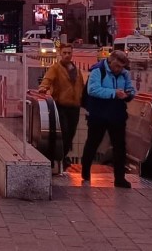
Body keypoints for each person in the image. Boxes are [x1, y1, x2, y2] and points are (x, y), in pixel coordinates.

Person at [81, 50, 136, 186]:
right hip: (98, 114)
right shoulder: (98, 71)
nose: (119, 70)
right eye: (117, 66)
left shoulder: (124, 73)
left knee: (119, 146)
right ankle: (86, 170)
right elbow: (92, 89)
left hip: (117, 114)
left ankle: (119, 178)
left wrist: (128, 95)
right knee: (93, 142)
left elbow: (131, 89)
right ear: (110, 62)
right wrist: (113, 93)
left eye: (121, 67)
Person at [37, 44, 85, 174]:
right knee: (64, 132)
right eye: (64, 53)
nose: (67, 55)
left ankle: (63, 157)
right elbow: (47, 79)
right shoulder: (56, 68)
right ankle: (61, 159)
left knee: (71, 134)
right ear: (60, 54)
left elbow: (81, 86)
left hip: (74, 107)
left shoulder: (76, 70)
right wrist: (43, 87)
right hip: (61, 105)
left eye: (69, 52)